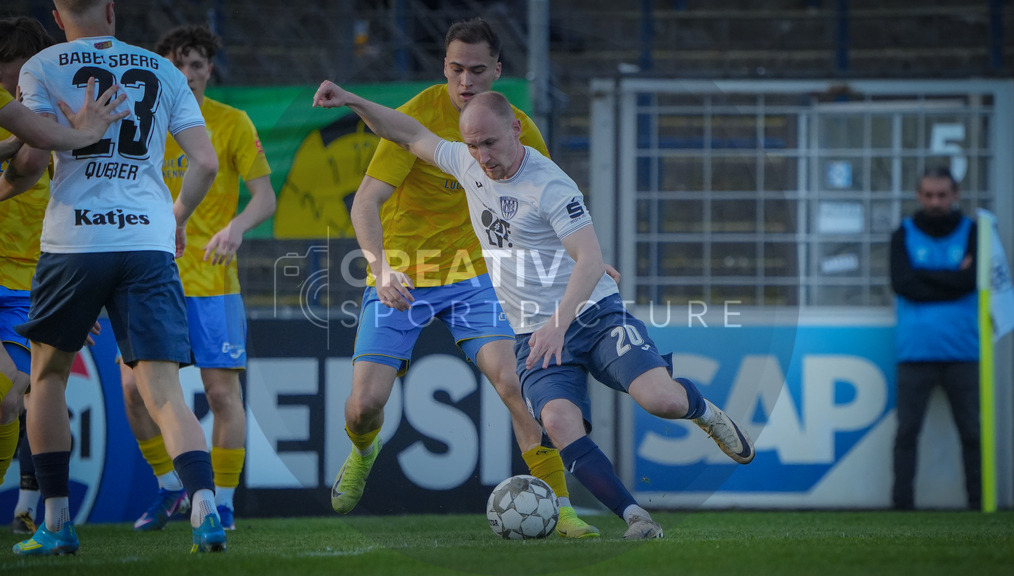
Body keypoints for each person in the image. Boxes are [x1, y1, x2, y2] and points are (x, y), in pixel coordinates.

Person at [311, 85, 756, 539]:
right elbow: (408, 132)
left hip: (593, 314)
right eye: (472, 145)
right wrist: (352, 100)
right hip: (534, 332)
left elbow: (590, 259)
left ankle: (704, 412)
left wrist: (558, 324)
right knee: (558, 423)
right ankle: (636, 517)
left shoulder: (550, 184)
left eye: (490, 143)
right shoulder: (468, 163)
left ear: (516, 130)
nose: (482, 156)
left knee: (662, 401)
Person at [328, 18, 600, 538]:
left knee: (517, 384)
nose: (465, 81)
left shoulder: (516, 126)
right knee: (363, 407)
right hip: (402, 276)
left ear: (497, 70)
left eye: (477, 70)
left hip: (476, 276)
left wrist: (586, 258)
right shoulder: (417, 115)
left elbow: (550, 204)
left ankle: (561, 507)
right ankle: (364, 449)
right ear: (444, 68)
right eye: (456, 69)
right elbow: (365, 203)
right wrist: (380, 269)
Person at [10, 0, 226, 555]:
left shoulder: (42, 66)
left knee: (47, 379)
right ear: (111, 9)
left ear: (57, 17)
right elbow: (205, 162)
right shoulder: (163, 69)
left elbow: (32, 161)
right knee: (164, 392)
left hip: (74, 242)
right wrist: (177, 217)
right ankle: (205, 509)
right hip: (147, 242)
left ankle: (55, 522)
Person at [120, 24, 276, 532]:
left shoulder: (231, 122)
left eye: (196, 65)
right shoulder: (140, 121)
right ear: (162, 69)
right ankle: (171, 489)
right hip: (148, 277)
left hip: (212, 282)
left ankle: (223, 503)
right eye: (177, 64)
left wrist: (237, 226)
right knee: (133, 391)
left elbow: (265, 197)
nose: (187, 75)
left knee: (222, 395)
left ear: (209, 69)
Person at [890, 166, 980, 510]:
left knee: (972, 433)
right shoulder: (903, 233)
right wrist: (952, 280)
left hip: (963, 351)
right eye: (928, 195)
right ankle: (901, 507)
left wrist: (923, 277)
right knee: (906, 434)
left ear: (955, 194)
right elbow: (902, 284)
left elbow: (970, 282)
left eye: (942, 195)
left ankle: (978, 505)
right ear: (919, 195)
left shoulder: (974, 232)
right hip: (915, 352)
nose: (935, 201)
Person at [0, 16, 57, 537]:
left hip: (30, 285)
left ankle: (29, 506)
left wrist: (73, 290)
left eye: (14, 69)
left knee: (16, 400)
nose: (8, 80)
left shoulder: (54, 116)